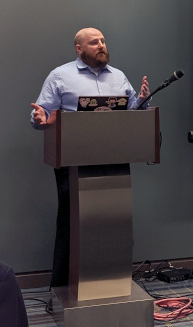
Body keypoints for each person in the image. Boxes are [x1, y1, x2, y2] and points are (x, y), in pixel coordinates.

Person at [30, 27, 150, 287]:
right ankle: (63, 286)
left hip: (115, 158)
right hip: (73, 161)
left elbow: (131, 111)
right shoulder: (60, 76)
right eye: (94, 42)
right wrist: (39, 119)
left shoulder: (118, 76)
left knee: (112, 222)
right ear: (79, 48)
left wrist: (140, 100)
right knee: (72, 223)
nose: (101, 45)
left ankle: (112, 281)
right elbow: (42, 113)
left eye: (103, 41)